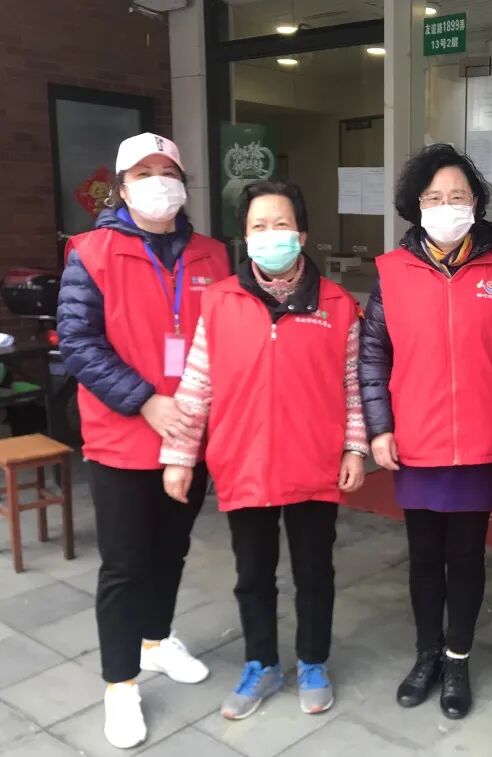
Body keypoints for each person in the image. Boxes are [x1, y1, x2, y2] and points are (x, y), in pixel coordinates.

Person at [160, 180, 368, 721]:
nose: (270, 235)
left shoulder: (338, 304)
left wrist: (354, 449)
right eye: (259, 226)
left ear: (301, 234)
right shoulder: (219, 300)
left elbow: (352, 384)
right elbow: (197, 384)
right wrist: (180, 456)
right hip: (243, 462)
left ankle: (313, 661)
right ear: (245, 237)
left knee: (314, 572)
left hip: (314, 463)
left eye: (281, 225)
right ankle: (261, 663)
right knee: (253, 575)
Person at [57, 133, 230, 749]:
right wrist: (145, 400)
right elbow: (78, 343)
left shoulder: (212, 255)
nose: (159, 181)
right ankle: (120, 683)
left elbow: (228, 337)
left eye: (168, 170)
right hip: (123, 437)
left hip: (190, 435)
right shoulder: (92, 252)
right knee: (126, 565)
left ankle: (156, 641)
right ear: (122, 186)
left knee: (171, 550)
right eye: (144, 172)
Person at [359, 144, 492, 720]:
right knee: (424, 558)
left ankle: (458, 658)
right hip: (416, 441)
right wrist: (379, 427)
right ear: (417, 206)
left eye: (458, 196)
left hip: (482, 444)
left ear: (476, 203)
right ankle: (426, 654)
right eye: (435, 197)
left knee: (467, 557)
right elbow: (372, 356)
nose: (447, 206)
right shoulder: (391, 272)